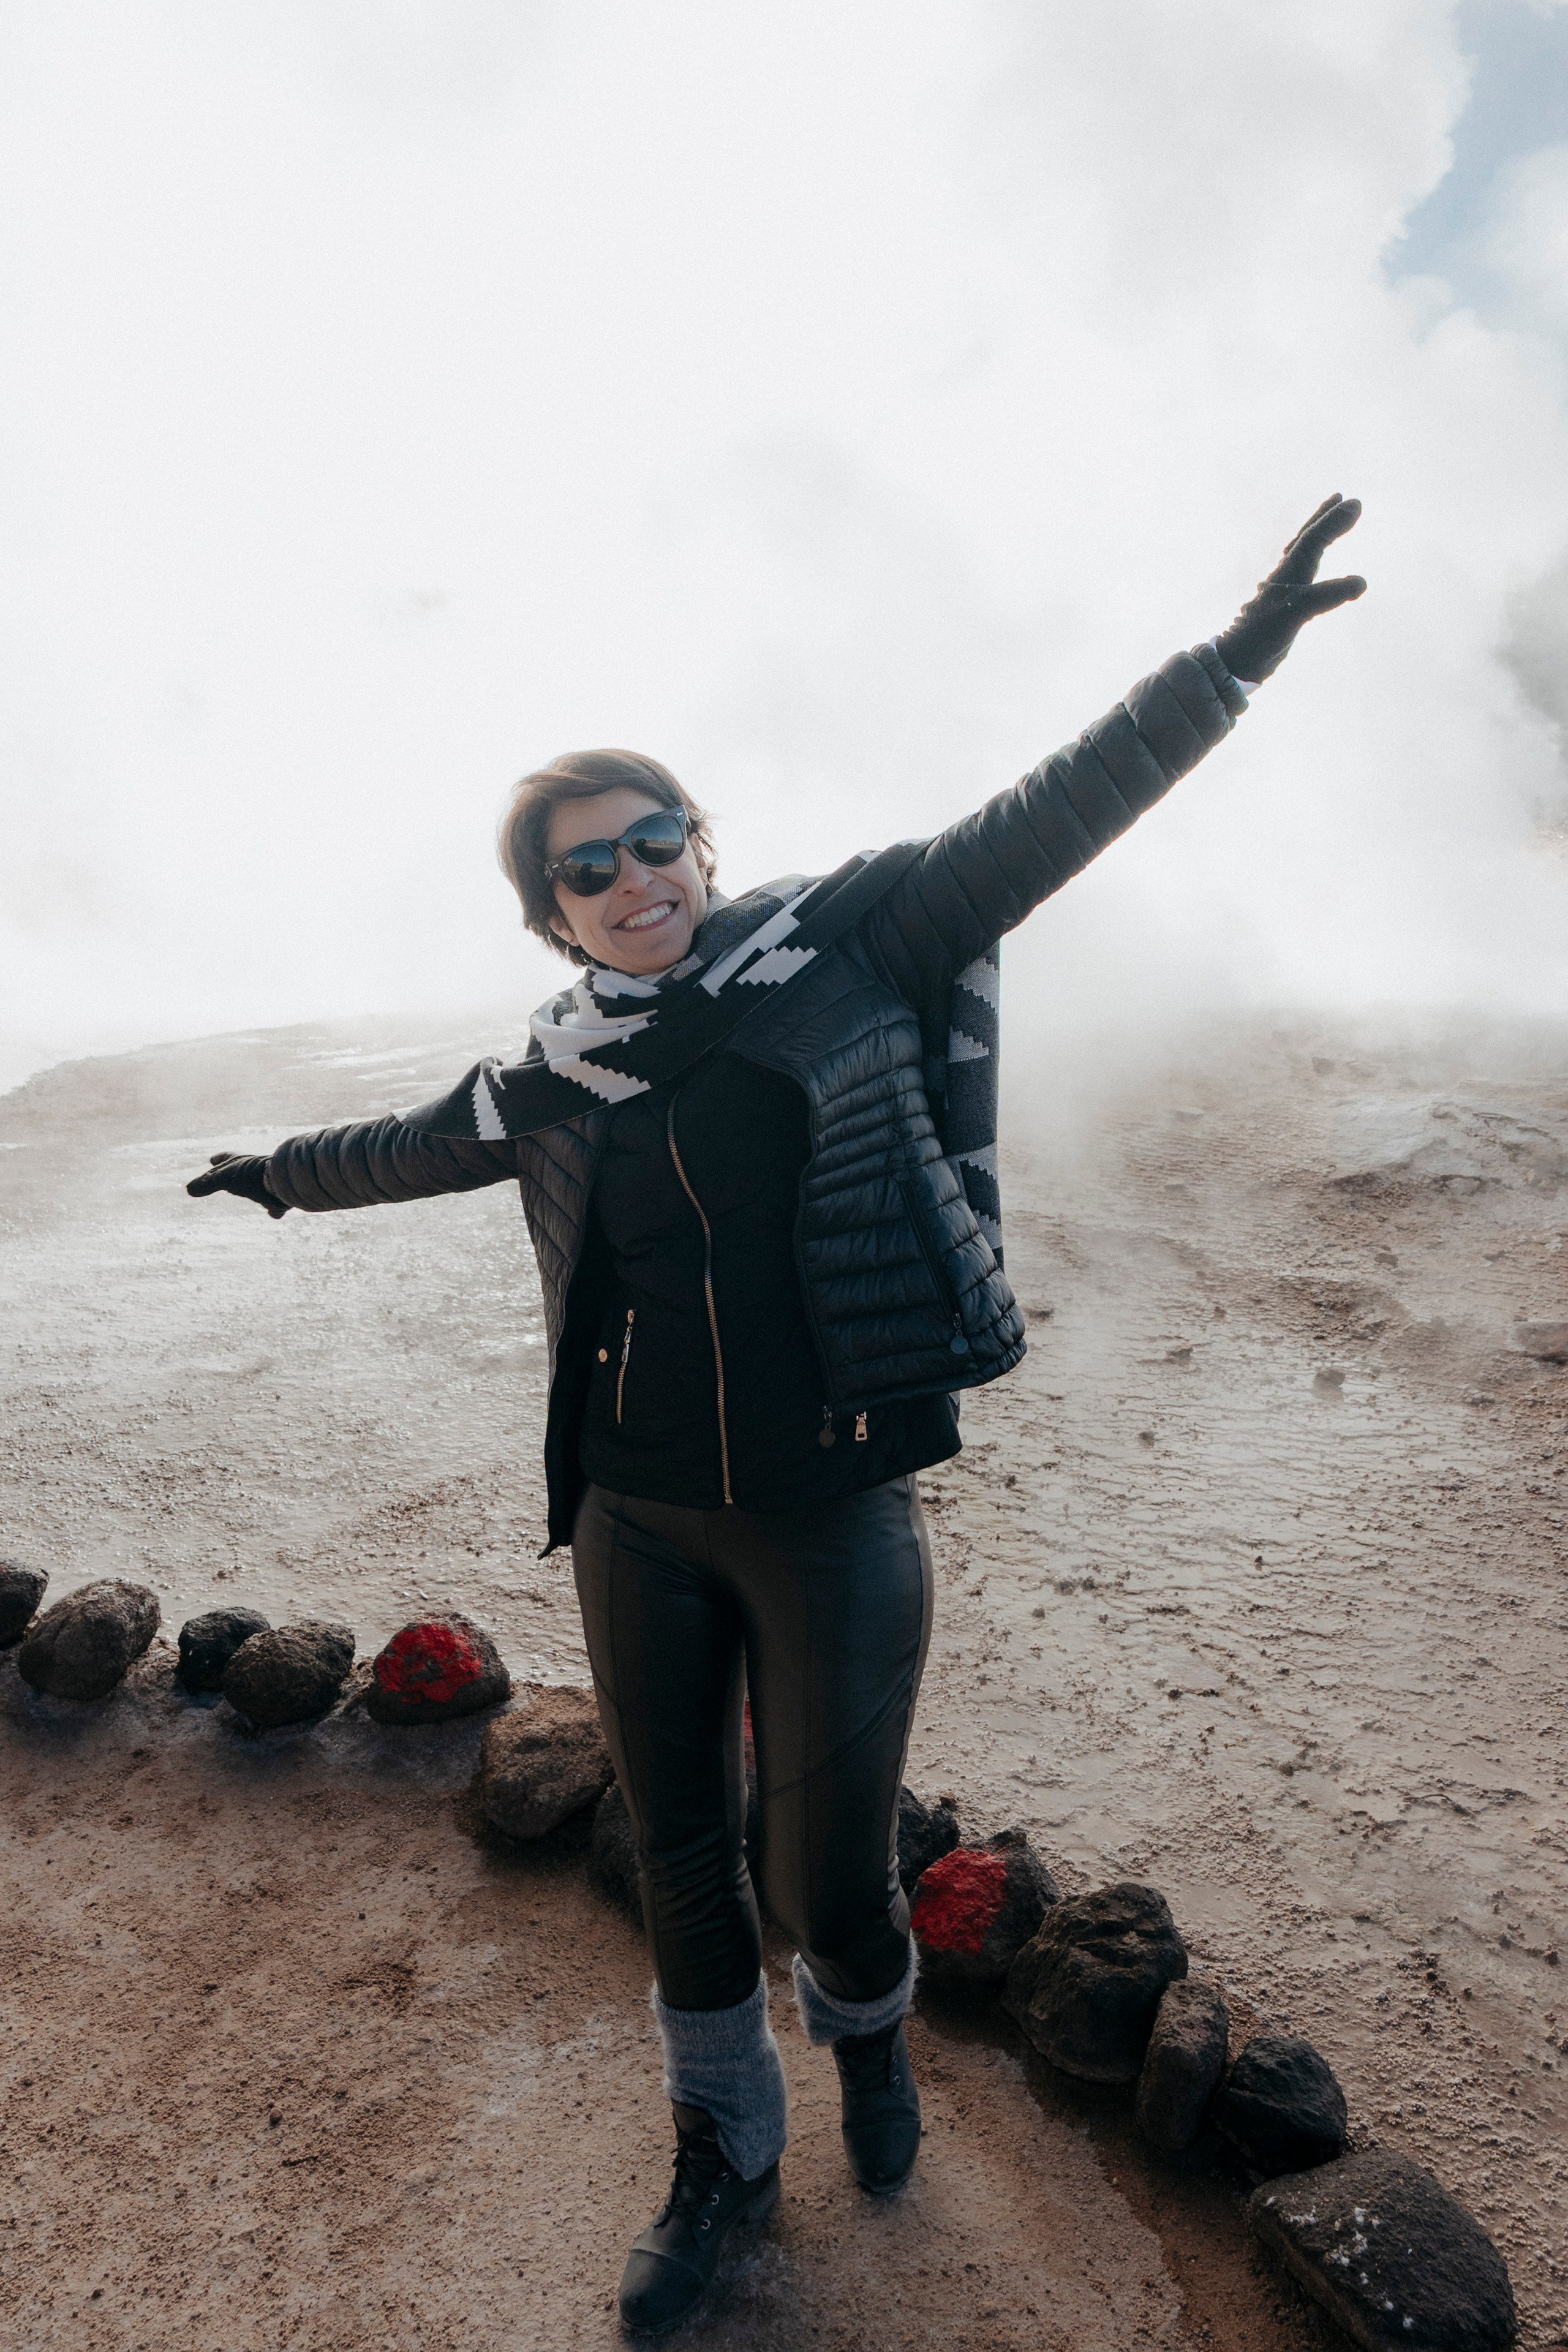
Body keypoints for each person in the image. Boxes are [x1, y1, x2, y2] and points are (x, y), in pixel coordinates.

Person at [189, 496, 1365, 2334]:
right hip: (639, 1515)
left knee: (825, 1883)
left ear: (698, 844)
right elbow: (415, 1143)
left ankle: (875, 2052)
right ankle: (723, 2154)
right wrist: (271, 1171)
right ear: (549, 909)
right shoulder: (549, 1070)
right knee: (677, 1856)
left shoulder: (851, 942)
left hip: (831, 1507)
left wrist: (1230, 662)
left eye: (661, 838)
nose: (640, 876)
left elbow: (1053, 808)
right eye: (594, 867)